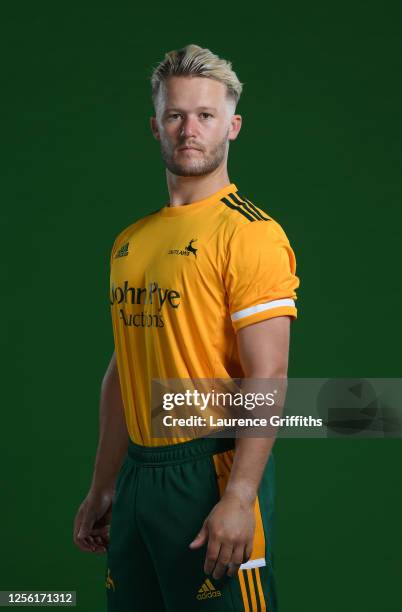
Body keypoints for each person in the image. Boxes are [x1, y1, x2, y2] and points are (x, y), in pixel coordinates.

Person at [73, 43, 300, 611]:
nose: (189, 129)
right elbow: (124, 368)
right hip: (138, 476)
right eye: (176, 115)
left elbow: (268, 373)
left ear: (233, 125)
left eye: (205, 115)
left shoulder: (250, 234)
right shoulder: (130, 240)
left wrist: (240, 493)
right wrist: (105, 484)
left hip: (210, 468)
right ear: (156, 126)